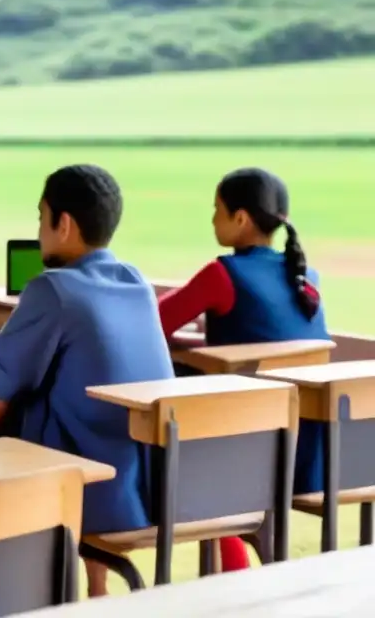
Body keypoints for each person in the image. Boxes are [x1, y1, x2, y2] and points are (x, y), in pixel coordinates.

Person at [0, 164, 174, 598]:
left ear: (63, 224)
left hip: (82, 497)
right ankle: (97, 590)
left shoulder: (52, 289)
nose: (38, 231)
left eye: (40, 218)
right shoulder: (135, 282)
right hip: (148, 490)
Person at [157, 167, 329, 572]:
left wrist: (190, 343)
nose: (212, 219)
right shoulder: (307, 279)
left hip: (240, 443)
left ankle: (236, 577)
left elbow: (155, 321)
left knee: (192, 471)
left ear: (241, 218)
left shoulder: (223, 274)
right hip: (307, 447)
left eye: (217, 210)